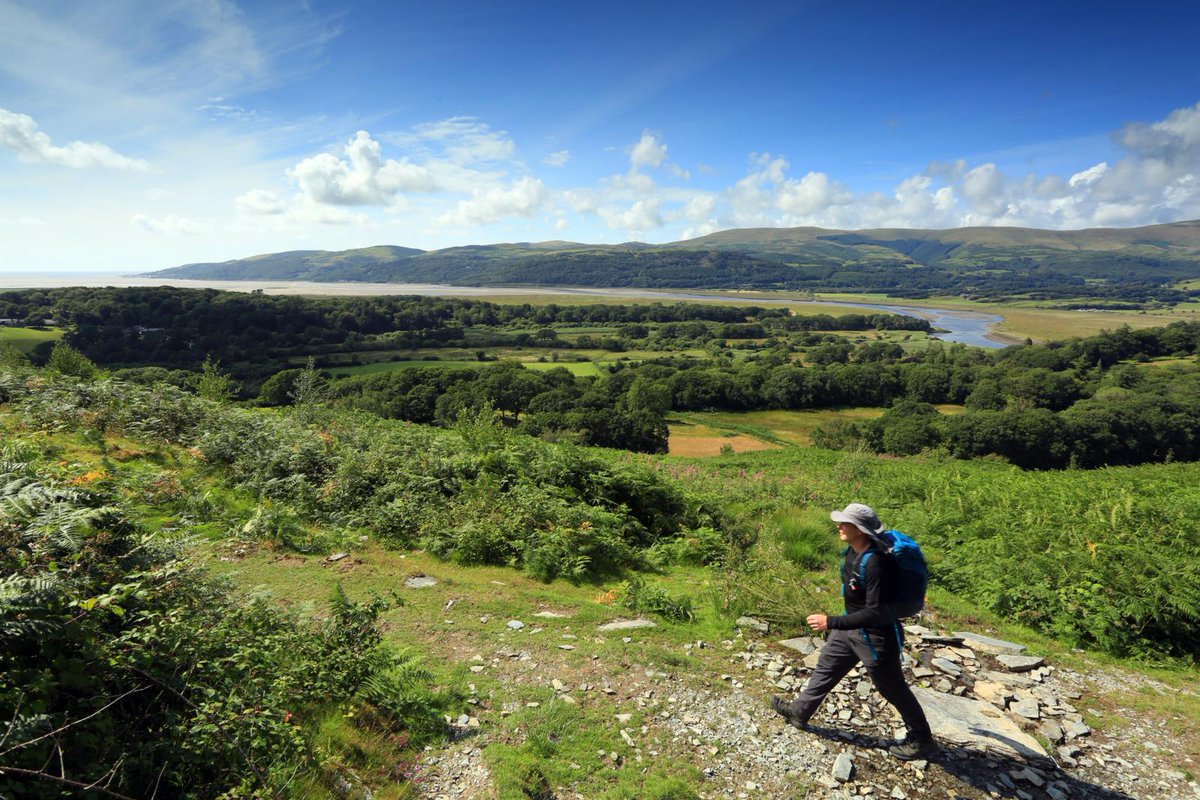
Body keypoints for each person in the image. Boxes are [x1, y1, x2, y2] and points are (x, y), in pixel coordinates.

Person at [771, 502, 935, 760]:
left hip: (875, 637)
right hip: (850, 627)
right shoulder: (853, 552)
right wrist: (840, 624)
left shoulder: (877, 564)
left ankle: (922, 739)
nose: (839, 525)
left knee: (892, 688)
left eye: (845, 523)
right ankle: (799, 713)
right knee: (826, 667)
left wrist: (830, 621)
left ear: (861, 529)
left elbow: (875, 612)